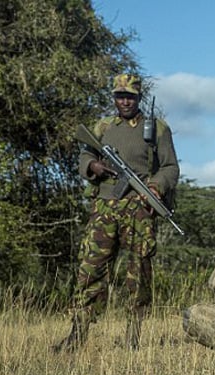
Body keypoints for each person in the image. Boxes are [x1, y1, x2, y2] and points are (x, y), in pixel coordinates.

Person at [53, 73, 180, 352]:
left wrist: (156, 187)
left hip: (140, 208)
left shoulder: (157, 128)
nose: (124, 101)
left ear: (139, 97)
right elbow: (85, 156)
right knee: (91, 269)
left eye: (130, 96)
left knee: (139, 272)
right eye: (119, 96)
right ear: (113, 97)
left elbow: (170, 167)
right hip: (104, 207)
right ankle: (77, 335)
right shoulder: (103, 126)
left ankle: (133, 338)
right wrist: (93, 167)